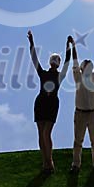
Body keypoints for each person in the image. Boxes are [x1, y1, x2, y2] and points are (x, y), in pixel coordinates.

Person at [27, 30, 71, 174]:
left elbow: (67, 62)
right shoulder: (43, 73)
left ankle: (50, 161)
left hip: (52, 104)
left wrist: (68, 46)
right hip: (40, 103)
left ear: (57, 63)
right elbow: (34, 59)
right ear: (50, 62)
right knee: (41, 134)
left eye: (56, 60)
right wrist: (31, 42)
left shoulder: (60, 76)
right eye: (53, 59)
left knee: (47, 133)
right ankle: (45, 162)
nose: (54, 62)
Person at [69, 27, 94, 173]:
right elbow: (74, 61)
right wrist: (73, 46)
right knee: (78, 141)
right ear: (82, 68)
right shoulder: (78, 78)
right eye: (86, 64)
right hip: (80, 113)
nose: (89, 64)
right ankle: (76, 165)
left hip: (93, 113)